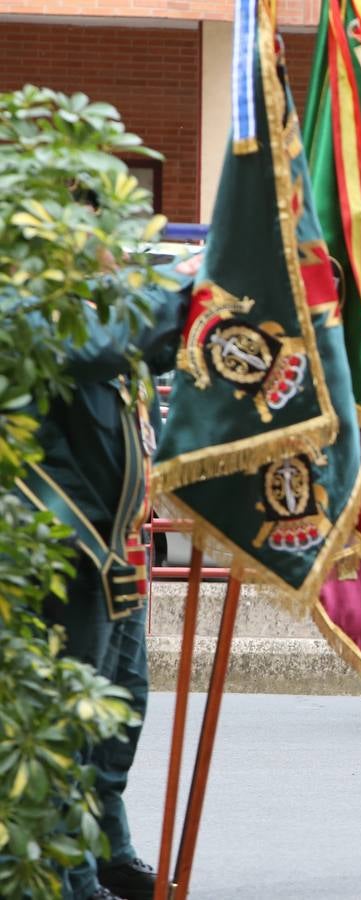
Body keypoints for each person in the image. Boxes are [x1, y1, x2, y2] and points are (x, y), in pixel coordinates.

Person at [23, 253, 199, 900]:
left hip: (118, 549)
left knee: (120, 710)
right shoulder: (31, 308)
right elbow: (119, 334)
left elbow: (156, 351)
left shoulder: (96, 316)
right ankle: (68, 874)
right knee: (72, 720)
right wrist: (211, 275)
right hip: (65, 553)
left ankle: (106, 848)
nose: (106, 252)